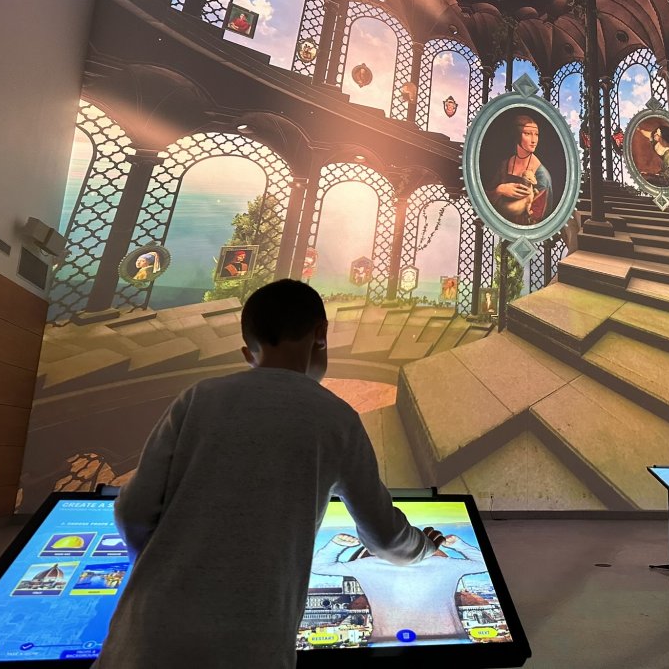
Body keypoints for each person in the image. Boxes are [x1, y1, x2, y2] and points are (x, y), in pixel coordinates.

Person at [93, 279, 444, 669]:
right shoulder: (337, 418)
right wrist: (424, 547)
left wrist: (165, 562)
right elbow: (385, 537)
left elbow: (133, 510)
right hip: (251, 643)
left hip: (144, 635)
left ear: (248, 352)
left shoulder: (197, 397)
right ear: (321, 334)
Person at [310, 530, 487, 643]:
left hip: (448, 642)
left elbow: (485, 564)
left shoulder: (442, 563)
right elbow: (318, 567)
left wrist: (459, 544)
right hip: (390, 643)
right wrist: (336, 545)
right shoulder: (369, 564)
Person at [486, 112, 554, 225]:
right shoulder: (505, 165)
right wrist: (500, 189)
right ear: (517, 135)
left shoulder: (542, 176)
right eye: (527, 133)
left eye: (536, 134)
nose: (534, 140)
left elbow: (538, 217)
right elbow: (486, 200)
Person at [636, 121, 669, 186]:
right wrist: (639, 129)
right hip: (663, 174)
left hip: (668, 180)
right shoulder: (658, 143)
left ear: (663, 137)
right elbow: (650, 135)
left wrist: (650, 176)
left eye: (657, 134)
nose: (654, 134)